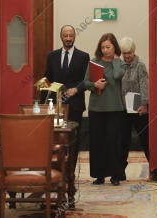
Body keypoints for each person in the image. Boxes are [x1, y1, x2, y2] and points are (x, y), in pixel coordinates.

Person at [40, 25, 90, 165]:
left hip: (75, 105)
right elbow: (47, 79)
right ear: (61, 37)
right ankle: (58, 170)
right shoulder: (52, 56)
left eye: (71, 35)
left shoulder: (83, 56)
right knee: (57, 140)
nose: (68, 38)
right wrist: (43, 104)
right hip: (56, 106)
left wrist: (76, 89)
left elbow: (87, 80)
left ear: (74, 37)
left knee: (74, 140)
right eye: (65, 35)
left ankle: (71, 173)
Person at [83, 33, 125, 186]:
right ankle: (99, 175)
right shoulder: (93, 63)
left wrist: (114, 60)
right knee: (97, 143)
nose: (105, 50)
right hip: (96, 108)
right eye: (103, 47)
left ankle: (115, 174)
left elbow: (117, 75)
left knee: (113, 143)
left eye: (108, 47)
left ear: (114, 47)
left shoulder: (119, 63)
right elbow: (85, 82)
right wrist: (95, 85)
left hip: (114, 108)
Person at [119, 37, 149, 181]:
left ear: (134, 51)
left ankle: (154, 167)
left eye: (129, 53)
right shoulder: (120, 65)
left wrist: (144, 104)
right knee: (123, 140)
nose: (127, 56)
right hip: (124, 108)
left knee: (145, 139)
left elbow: (144, 85)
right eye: (124, 53)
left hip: (139, 109)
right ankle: (120, 171)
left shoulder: (140, 65)